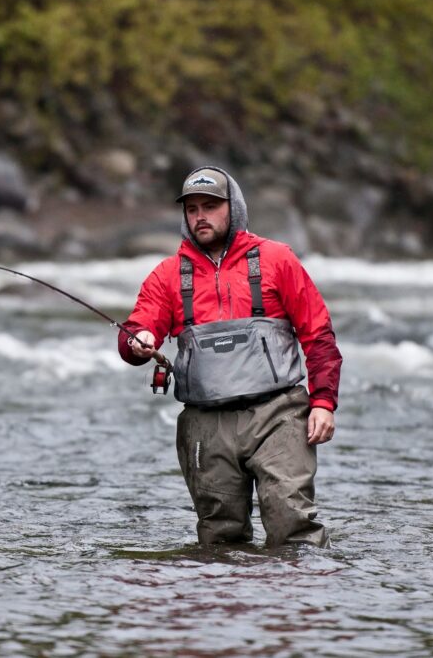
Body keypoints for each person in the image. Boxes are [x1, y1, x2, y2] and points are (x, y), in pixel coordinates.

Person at [118, 166, 342, 547]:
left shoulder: (277, 259)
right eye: (192, 209)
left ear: (233, 207)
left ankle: (301, 586)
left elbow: (318, 334)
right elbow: (136, 330)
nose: (200, 216)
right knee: (220, 538)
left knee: (292, 524)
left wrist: (323, 402)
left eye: (210, 206)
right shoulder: (167, 275)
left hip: (278, 414)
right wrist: (137, 341)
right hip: (206, 423)